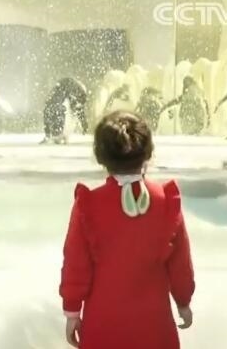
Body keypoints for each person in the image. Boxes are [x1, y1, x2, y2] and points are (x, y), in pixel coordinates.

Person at [59, 111, 195, 349]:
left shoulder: (89, 205)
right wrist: (183, 301)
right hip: (154, 326)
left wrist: (72, 311)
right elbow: (180, 264)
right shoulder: (166, 201)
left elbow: (76, 263)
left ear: (100, 156)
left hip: (103, 324)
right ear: (148, 153)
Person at [42, 77, 89, 144]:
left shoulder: (72, 89)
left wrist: (83, 123)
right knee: (56, 108)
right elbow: (79, 109)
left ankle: (55, 135)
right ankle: (56, 135)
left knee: (54, 108)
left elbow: (79, 108)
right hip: (60, 95)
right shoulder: (73, 90)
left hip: (59, 94)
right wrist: (84, 123)